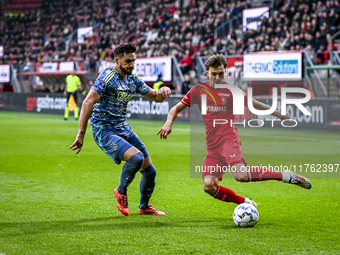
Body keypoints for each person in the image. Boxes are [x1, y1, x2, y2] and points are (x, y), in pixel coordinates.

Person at [158, 54, 311, 208]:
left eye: (221, 74)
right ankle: (246, 202)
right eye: (214, 74)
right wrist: (168, 123)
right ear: (207, 73)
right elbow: (176, 108)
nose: (217, 78)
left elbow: (254, 104)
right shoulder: (199, 90)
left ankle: (286, 176)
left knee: (241, 175)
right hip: (212, 146)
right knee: (209, 186)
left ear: (225, 72)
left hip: (228, 139)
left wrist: (279, 114)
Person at [70, 43, 171, 216]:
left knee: (150, 172)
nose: (131, 65)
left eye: (133, 61)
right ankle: (121, 191)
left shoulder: (133, 79)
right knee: (136, 158)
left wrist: (163, 92)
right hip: (105, 130)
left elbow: (156, 97)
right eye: (127, 61)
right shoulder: (107, 77)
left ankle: (144, 207)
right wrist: (81, 134)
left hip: (123, 128)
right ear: (117, 60)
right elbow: (87, 102)